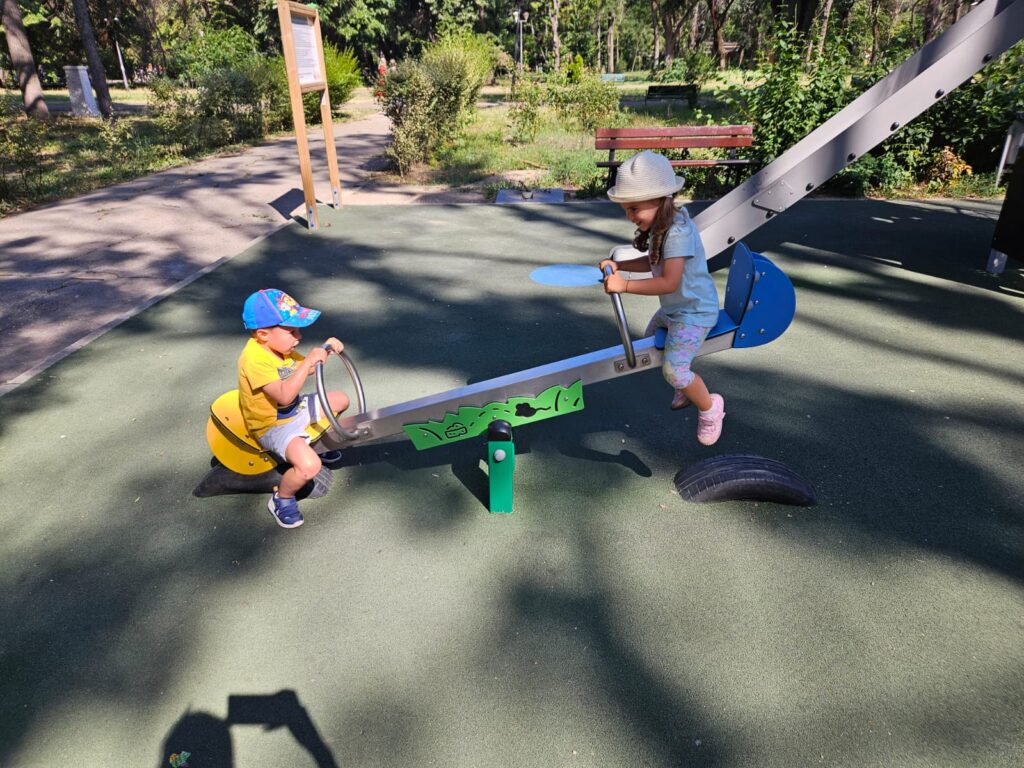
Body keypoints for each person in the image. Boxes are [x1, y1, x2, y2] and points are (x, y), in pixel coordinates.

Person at [599, 150, 726, 446]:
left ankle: (710, 407)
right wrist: (620, 265)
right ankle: (686, 387)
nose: (630, 216)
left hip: (694, 314)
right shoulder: (663, 225)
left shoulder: (677, 232)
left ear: (659, 199)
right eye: (626, 209)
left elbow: (669, 282)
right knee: (648, 344)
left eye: (634, 208)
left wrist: (623, 286)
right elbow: (653, 261)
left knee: (673, 370)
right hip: (676, 310)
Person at [238, 289, 350, 528]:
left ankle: (316, 445)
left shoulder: (281, 349)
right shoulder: (254, 359)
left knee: (340, 399)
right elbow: (284, 394)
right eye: (292, 331)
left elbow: (306, 368)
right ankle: (283, 498)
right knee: (309, 467)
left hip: (294, 410)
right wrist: (308, 361)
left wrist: (326, 350)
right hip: (272, 426)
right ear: (263, 334)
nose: (298, 337)